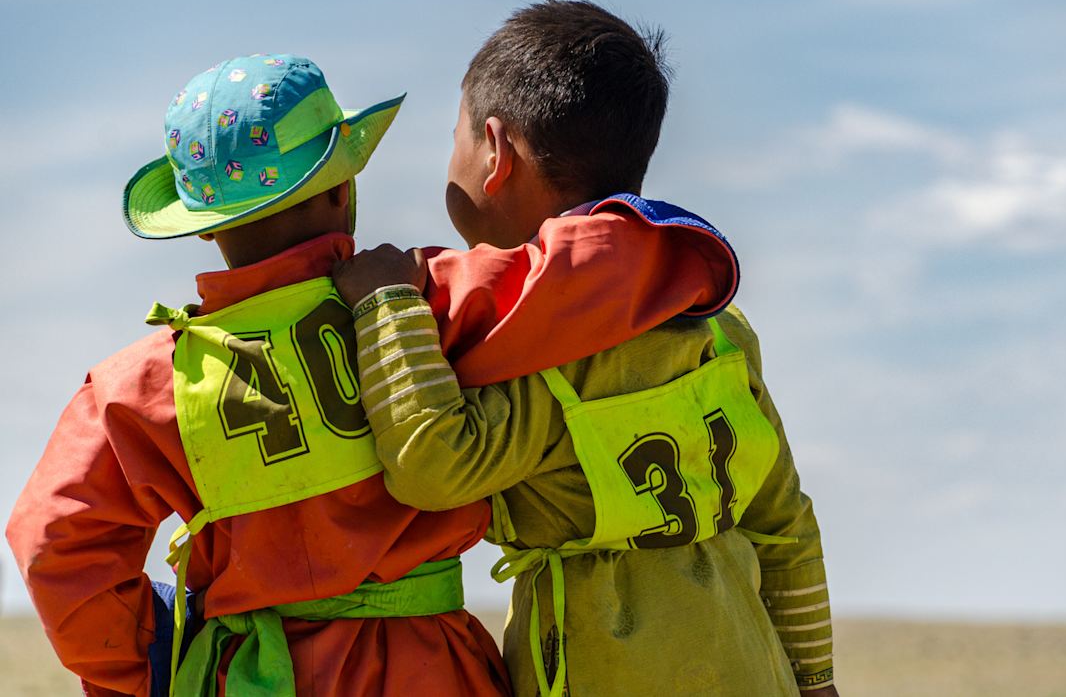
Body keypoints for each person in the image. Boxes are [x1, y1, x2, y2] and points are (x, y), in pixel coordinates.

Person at [7, 52, 741, 696]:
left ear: (202, 224)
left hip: (253, 675)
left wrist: (157, 661)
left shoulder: (139, 387)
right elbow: (583, 270)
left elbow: (50, 540)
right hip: (434, 667)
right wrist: (684, 255)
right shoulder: (428, 302)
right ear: (342, 190)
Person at [332, 0, 839, 696]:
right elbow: (786, 529)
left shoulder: (554, 346)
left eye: (454, 135)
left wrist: (385, 306)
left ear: (495, 152)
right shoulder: (720, 327)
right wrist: (815, 681)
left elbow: (433, 464)